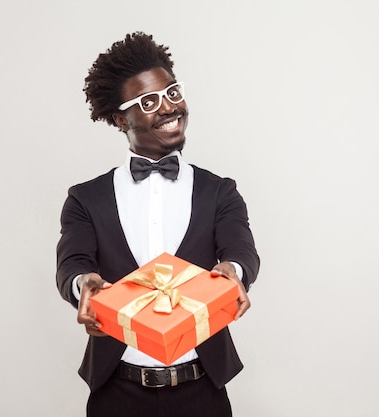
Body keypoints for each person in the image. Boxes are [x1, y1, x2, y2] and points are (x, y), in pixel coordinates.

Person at [56, 31, 260, 417]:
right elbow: (73, 263)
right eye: (149, 101)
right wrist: (84, 285)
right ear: (120, 119)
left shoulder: (220, 192)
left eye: (173, 93)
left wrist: (234, 273)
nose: (168, 108)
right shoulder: (86, 198)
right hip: (117, 391)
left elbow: (240, 250)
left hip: (202, 391)